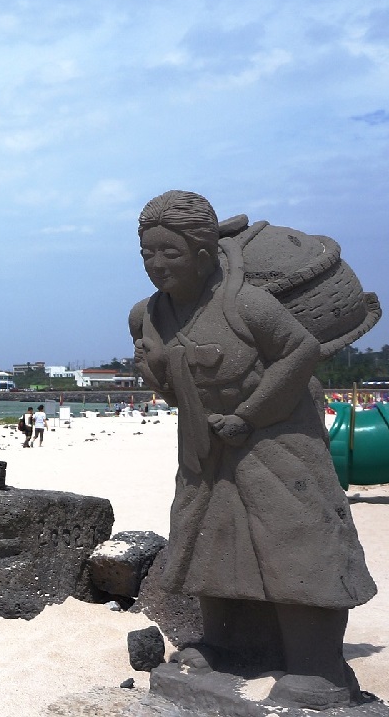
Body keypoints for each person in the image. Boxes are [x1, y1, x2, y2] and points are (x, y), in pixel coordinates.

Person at [129, 190, 374, 708]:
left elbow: (300, 350)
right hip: (205, 445)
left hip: (276, 436)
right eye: (148, 254)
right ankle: (230, 643)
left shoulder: (244, 303)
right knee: (209, 535)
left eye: (169, 253)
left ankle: (318, 666)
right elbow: (173, 383)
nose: (156, 265)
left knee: (297, 538)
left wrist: (249, 415)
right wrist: (152, 363)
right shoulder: (153, 313)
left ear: (201, 252)